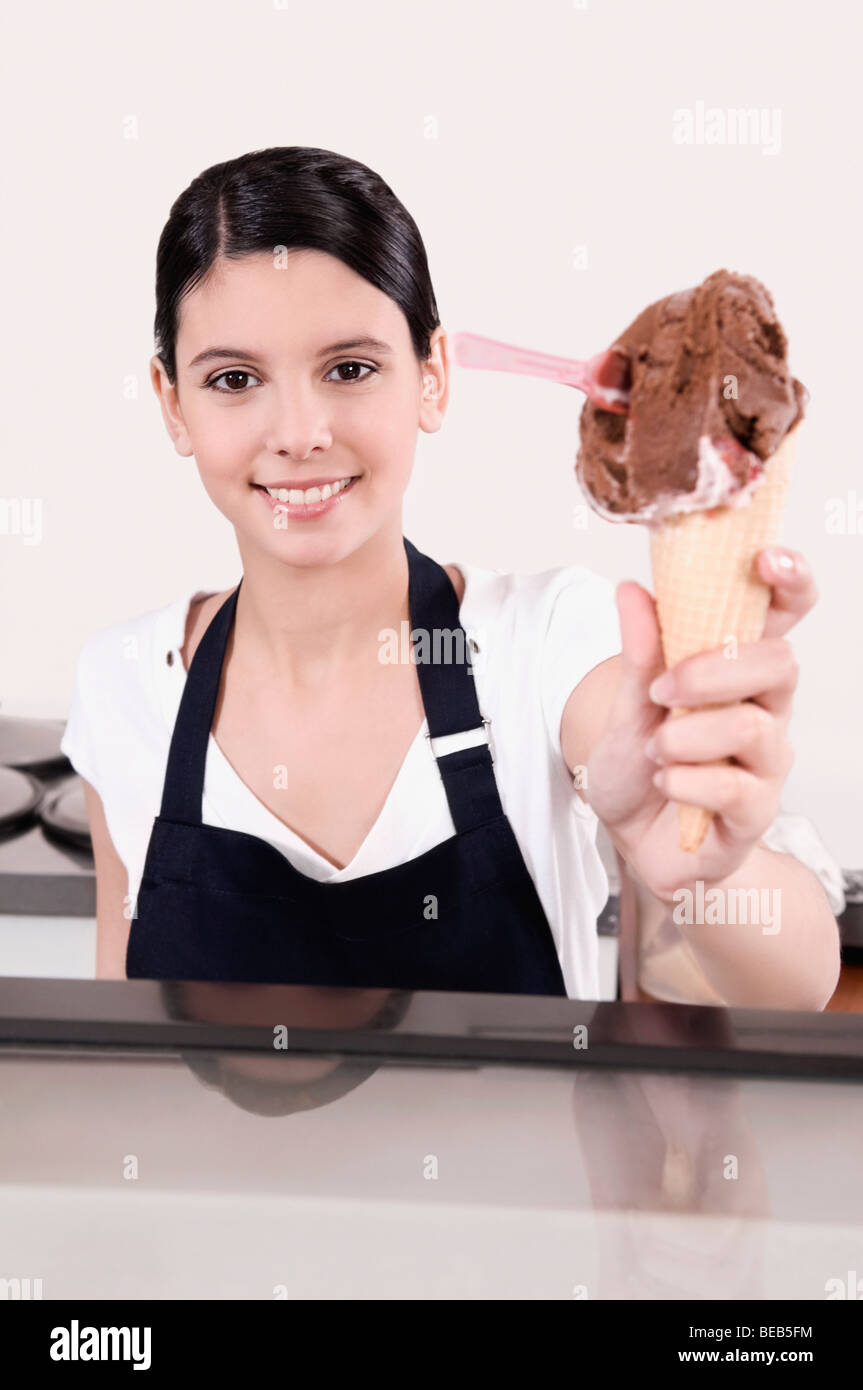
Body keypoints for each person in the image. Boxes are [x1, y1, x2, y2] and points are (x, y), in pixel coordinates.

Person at [61, 146, 837, 1008]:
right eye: (234, 380)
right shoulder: (123, 684)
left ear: (431, 377)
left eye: (349, 369)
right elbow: (123, 1052)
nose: (299, 432)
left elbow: (799, 987)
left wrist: (697, 869)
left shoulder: (547, 643)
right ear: (173, 404)